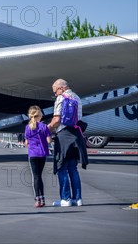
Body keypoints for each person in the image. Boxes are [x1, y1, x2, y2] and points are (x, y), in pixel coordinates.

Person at [48, 78, 88, 207]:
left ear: (62, 88)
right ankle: (78, 199)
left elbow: (57, 120)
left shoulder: (61, 98)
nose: (55, 94)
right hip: (76, 136)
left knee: (62, 168)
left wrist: (46, 129)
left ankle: (65, 199)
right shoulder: (77, 97)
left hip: (64, 137)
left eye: (55, 91)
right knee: (73, 169)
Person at [24, 106, 52, 208]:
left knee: (36, 177)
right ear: (39, 115)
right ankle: (42, 199)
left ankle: (37, 199)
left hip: (33, 154)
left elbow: (26, 142)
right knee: (39, 176)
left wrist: (31, 144)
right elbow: (49, 141)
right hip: (42, 153)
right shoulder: (44, 127)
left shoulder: (28, 128)